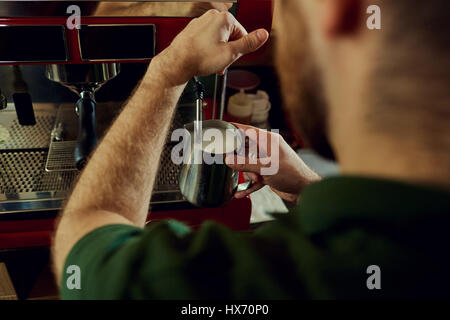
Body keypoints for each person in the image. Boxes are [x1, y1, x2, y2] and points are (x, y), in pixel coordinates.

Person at [53, 0, 450, 299]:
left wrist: (166, 73)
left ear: (339, 10)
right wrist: (306, 189)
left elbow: (85, 240)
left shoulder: (225, 283)